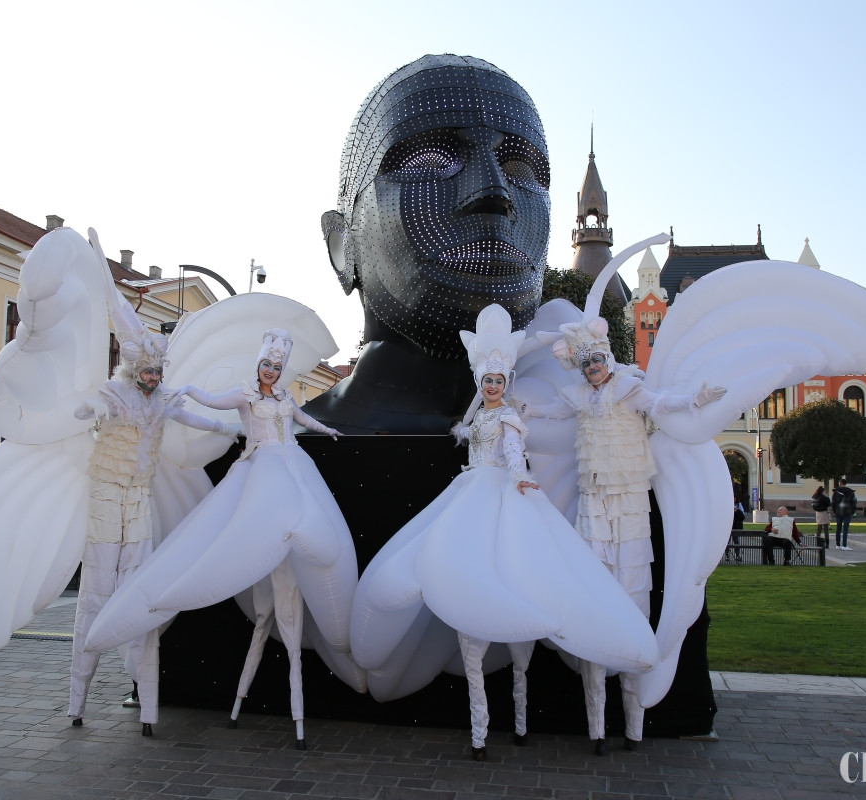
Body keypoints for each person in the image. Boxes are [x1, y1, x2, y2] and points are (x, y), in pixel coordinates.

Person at [349, 304, 657, 761]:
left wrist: (520, 477)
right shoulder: (479, 419)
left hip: (502, 493)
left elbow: (514, 452)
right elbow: (476, 443)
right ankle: (482, 729)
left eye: (498, 381)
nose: (492, 386)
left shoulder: (510, 418)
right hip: (472, 493)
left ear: (505, 383)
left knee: (516, 576)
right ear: (481, 383)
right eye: (487, 381)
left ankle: (519, 716)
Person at [83, 328, 356, 750]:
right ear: (258, 365)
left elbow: (302, 420)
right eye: (266, 364)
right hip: (261, 470)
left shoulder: (285, 397)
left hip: (296, 469)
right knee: (238, 551)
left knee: (305, 546)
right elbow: (212, 403)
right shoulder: (246, 395)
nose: (271, 370)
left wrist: (328, 430)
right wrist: (190, 390)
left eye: (277, 366)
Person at [306, 54, 552, 434]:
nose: (493, 192)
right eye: (428, 162)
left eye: (520, 170)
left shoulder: (584, 436)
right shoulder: (283, 446)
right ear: (343, 246)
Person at [521, 315, 726, 752]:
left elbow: (661, 404)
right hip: (594, 503)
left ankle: (634, 728)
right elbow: (557, 411)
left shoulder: (629, 389)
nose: (593, 368)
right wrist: (531, 411)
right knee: (594, 596)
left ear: (607, 359)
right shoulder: (579, 396)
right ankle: (596, 729)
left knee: (633, 598)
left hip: (630, 503)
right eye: (586, 364)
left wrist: (696, 399)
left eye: (596, 360)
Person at [69, 329, 234, 737]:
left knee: (138, 588)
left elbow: (190, 417)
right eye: (148, 371)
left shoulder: (162, 401)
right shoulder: (114, 393)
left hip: (138, 495)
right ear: (134, 370)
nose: (154, 378)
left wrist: (223, 427)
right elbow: (91, 407)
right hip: (107, 494)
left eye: (158, 372)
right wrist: (89, 408)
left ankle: (148, 707)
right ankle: (76, 702)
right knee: (95, 591)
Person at [831, 478, 857, 550]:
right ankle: (844, 545)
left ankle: (837, 545)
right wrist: (852, 511)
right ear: (845, 483)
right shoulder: (850, 492)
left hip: (838, 512)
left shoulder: (836, 492)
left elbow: (833, 502)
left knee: (838, 528)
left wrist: (834, 511)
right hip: (847, 512)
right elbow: (854, 502)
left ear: (840, 483)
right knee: (845, 529)